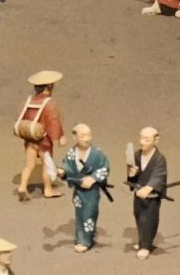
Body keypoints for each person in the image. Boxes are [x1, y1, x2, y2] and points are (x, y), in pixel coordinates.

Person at [59, 123, 109, 253]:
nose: (86, 139)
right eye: (82, 136)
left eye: (88, 135)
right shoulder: (71, 153)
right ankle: (80, 237)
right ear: (75, 137)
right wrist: (62, 171)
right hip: (79, 189)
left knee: (89, 213)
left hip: (91, 191)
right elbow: (67, 166)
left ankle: (86, 240)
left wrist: (93, 178)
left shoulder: (96, 153)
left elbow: (104, 168)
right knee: (80, 215)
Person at [15, 70, 65, 201]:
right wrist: (59, 137)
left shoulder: (29, 101)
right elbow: (54, 122)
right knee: (47, 165)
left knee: (29, 165)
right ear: (49, 87)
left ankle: (22, 186)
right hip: (44, 141)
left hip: (30, 139)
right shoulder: (50, 103)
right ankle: (48, 189)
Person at [127, 126, 167, 260]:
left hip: (151, 197)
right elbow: (132, 174)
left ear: (156, 140)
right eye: (141, 138)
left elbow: (159, 176)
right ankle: (142, 241)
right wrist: (132, 174)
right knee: (138, 216)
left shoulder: (159, 159)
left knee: (149, 220)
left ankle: (145, 246)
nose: (142, 142)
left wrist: (149, 188)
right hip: (138, 194)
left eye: (147, 139)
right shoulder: (137, 155)